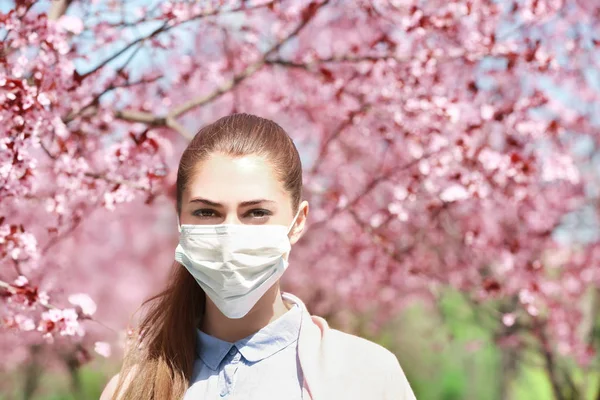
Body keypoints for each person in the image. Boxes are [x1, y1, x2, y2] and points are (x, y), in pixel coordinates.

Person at [100, 113, 416, 400]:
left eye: (256, 212)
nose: (230, 235)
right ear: (181, 220)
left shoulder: (367, 378)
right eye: (207, 212)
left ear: (298, 222)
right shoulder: (130, 390)